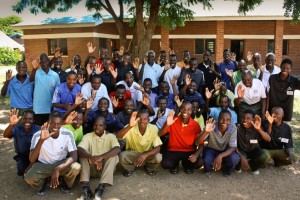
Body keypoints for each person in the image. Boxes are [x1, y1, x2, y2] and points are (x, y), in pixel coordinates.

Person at [24, 111, 81, 195]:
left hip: (61, 164)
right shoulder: (38, 135)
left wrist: (58, 169)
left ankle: (64, 181)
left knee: (76, 167)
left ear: (62, 123)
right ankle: (44, 181)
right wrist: (41, 140)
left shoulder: (67, 133)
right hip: (43, 165)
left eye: (58, 123)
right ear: (48, 122)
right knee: (29, 177)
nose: (55, 126)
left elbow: (74, 156)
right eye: (53, 123)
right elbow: (32, 159)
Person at [77, 116, 121, 200]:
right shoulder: (87, 136)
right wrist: (91, 157)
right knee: (83, 156)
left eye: (100, 125)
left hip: (106, 170)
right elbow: (79, 149)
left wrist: (100, 157)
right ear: (93, 125)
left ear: (105, 126)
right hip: (91, 170)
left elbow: (117, 149)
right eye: (95, 125)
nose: (97, 127)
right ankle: (86, 189)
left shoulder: (111, 136)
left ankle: (100, 188)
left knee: (114, 156)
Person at [159, 102, 204, 174]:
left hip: (189, 151)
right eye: (184, 108)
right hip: (173, 150)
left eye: (189, 109)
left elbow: (201, 143)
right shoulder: (173, 120)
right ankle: (175, 165)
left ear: (191, 111)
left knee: (200, 162)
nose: (186, 111)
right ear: (180, 109)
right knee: (165, 164)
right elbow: (160, 134)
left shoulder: (195, 125)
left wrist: (196, 155)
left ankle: (186, 166)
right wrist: (167, 125)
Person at [117, 111, 162, 177]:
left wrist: (145, 155)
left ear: (149, 120)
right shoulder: (130, 126)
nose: (142, 121)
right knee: (122, 156)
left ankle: (149, 167)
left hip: (147, 154)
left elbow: (158, 147)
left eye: (145, 119)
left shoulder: (153, 128)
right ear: (136, 119)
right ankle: (130, 168)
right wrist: (130, 126)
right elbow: (118, 136)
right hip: (133, 153)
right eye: (139, 119)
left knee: (158, 157)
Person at [196, 110, 239, 176]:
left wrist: (220, 156)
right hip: (211, 149)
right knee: (207, 160)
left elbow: (233, 147)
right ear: (218, 118)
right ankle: (209, 168)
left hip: (225, 151)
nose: (224, 122)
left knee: (235, 158)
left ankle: (226, 169)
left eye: (228, 120)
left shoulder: (233, 128)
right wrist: (206, 132)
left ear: (230, 120)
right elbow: (197, 142)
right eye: (222, 119)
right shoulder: (211, 125)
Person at [3, 109, 40, 176]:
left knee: (37, 170)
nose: (27, 121)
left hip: (36, 155)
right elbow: (5, 135)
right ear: (21, 119)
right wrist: (11, 125)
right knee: (22, 171)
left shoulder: (38, 129)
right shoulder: (17, 128)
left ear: (34, 120)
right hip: (22, 155)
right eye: (24, 118)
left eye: (30, 119)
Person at [236, 110, 271, 175]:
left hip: (254, 150)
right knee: (237, 157)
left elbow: (268, 139)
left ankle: (252, 166)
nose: (245, 120)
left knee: (265, 156)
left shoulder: (257, 128)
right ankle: (238, 167)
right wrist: (242, 157)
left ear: (253, 119)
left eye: (248, 118)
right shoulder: (237, 127)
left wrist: (259, 129)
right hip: (242, 150)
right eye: (243, 117)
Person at [29, 53, 60, 125]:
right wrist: (34, 69)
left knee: (49, 130)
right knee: (38, 130)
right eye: (41, 61)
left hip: (50, 108)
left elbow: (57, 92)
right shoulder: (36, 72)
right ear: (39, 63)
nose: (44, 63)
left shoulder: (55, 75)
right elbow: (31, 80)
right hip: (38, 109)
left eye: (45, 61)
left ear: (49, 61)